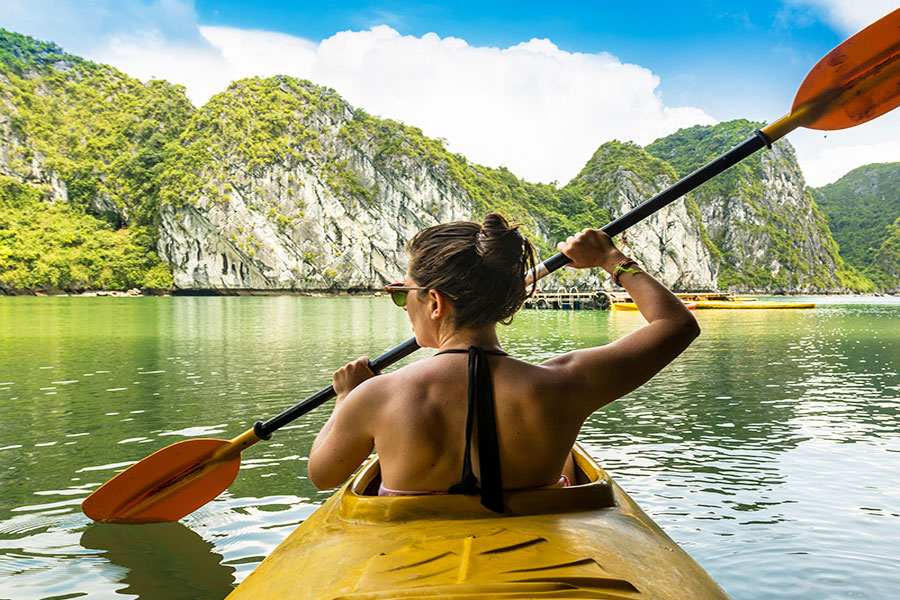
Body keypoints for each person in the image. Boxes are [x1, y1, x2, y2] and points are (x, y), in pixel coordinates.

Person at [308, 213, 699, 511]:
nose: (403, 303)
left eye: (402, 293)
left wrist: (347, 397)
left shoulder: (376, 395)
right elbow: (677, 325)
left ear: (435, 302)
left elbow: (323, 475)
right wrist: (611, 258)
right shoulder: (565, 384)